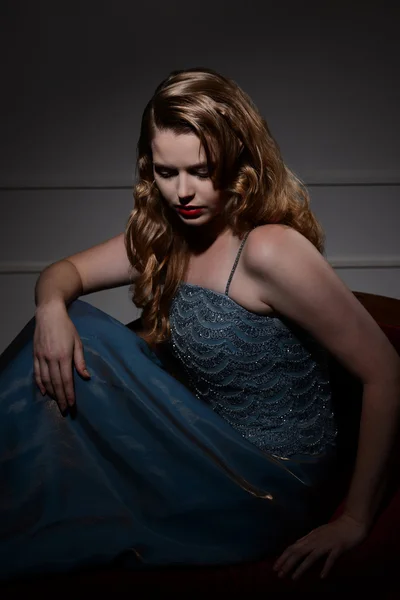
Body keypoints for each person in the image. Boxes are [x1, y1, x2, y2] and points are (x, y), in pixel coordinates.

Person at [0, 67, 399, 584]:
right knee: (66, 322)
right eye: (167, 173)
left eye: (202, 170)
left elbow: (386, 371)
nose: (183, 192)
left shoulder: (270, 250)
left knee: (88, 341)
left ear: (237, 163)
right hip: (202, 447)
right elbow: (63, 273)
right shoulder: (163, 236)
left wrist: (354, 519)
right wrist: (50, 308)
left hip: (270, 481)